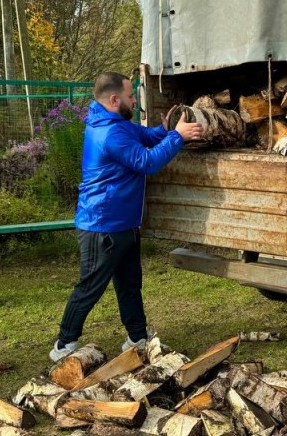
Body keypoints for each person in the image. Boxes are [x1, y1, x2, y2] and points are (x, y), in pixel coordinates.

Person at [50, 72, 203, 362]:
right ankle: (64, 345)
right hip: (102, 227)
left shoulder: (115, 123)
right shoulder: (110, 132)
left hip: (123, 224)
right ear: (113, 99)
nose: (135, 100)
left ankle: (137, 338)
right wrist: (178, 138)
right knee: (89, 288)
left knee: (130, 284)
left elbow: (144, 137)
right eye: (131, 95)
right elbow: (146, 161)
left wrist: (166, 130)